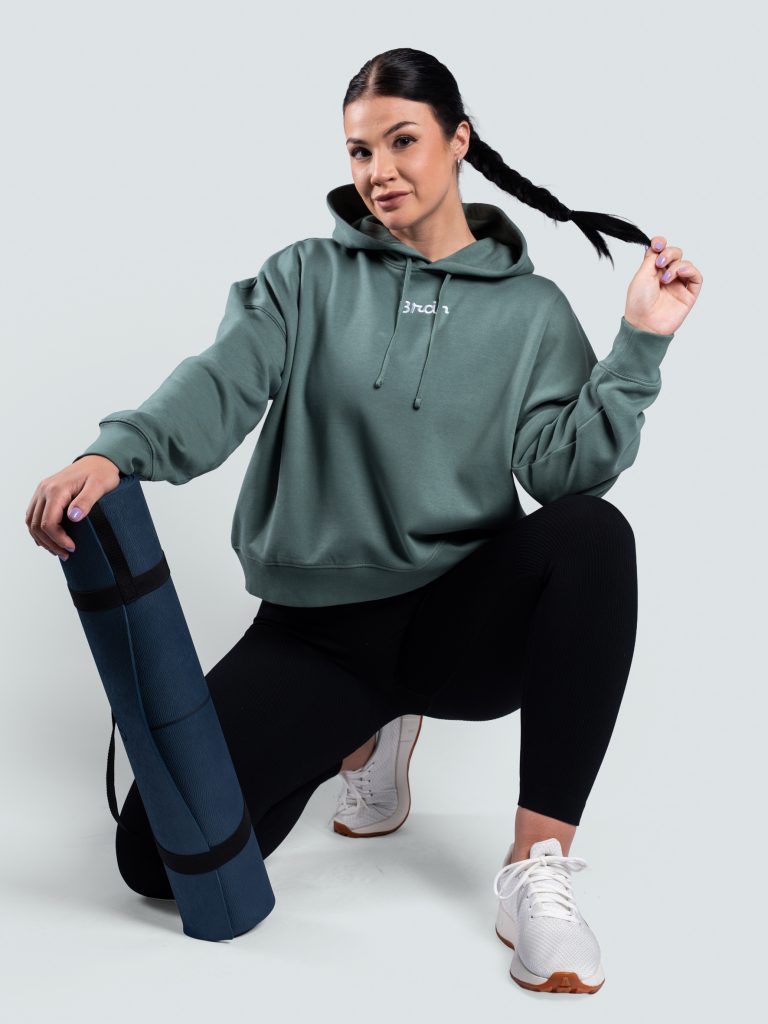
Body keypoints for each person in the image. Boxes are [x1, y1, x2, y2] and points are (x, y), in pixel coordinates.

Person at [25, 47, 702, 994]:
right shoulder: (305, 277)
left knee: (594, 537)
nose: (378, 170)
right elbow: (218, 387)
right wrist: (115, 452)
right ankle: (365, 733)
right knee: (156, 862)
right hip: (315, 640)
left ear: (459, 141)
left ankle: (535, 868)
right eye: (358, 150)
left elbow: (566, 474)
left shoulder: (532, 311)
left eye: (402, 141)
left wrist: (640, 344)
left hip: (456, 625)